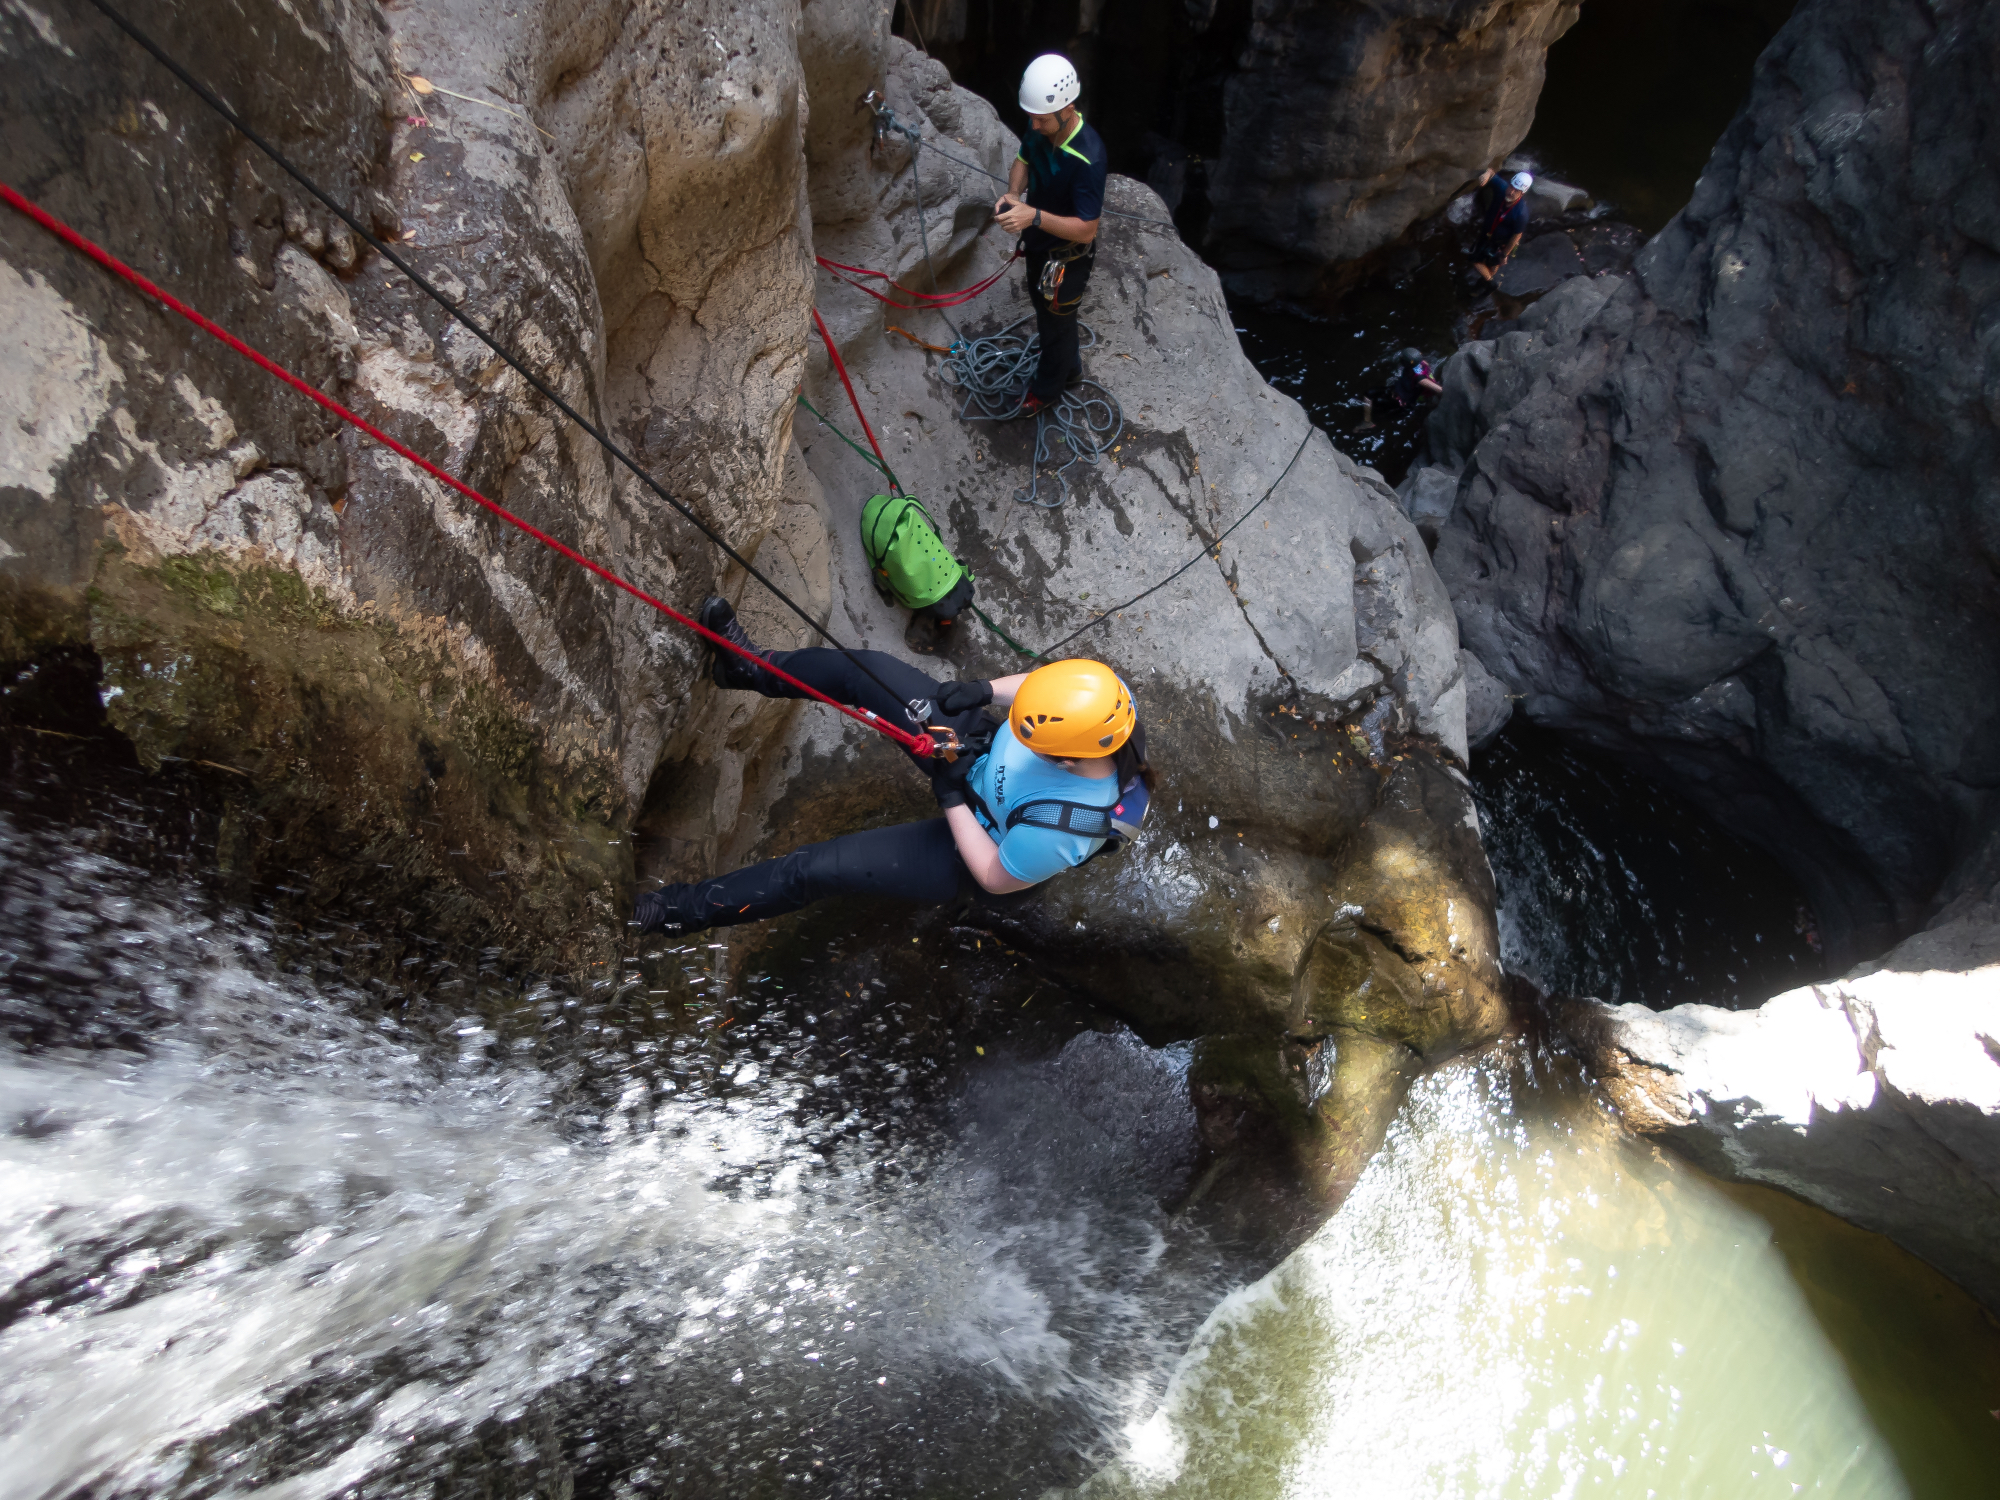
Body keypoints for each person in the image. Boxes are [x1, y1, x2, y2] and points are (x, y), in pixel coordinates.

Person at [631, 597, 1155, 935]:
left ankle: (673, 911)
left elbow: (995, 878)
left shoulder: (1060, 830)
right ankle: (748, 668)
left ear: (1067, 755)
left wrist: (951, 797)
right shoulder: (1102, 703)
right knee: (867, 673)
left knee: (815, 868)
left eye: (1032, 738)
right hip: (973, 751)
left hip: (976, 843)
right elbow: (1042, 690)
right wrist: (985, 691)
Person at [991, 54, 1106, 416]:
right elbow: (1025, 157)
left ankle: (1047, 391)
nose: (1034, 125)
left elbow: (1088, 230)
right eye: (1032, 117)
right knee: (1046, 311)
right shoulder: (1041, 123)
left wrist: (1034, 216)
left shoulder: (1088, 158)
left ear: (1068, 109)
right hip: (1040, 241)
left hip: (1067, 258)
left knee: (1056, 320)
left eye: (1041, 119)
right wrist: (1013, 195)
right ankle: (1068, 367)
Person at [1470, 168, 1534, 282]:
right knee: (1483, 253)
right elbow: (1490, 172)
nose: (1511, 192)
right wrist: (1486, 175)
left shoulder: (1521, 213)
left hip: (1501, 242)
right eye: (1511, 187)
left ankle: (1490, 281)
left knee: (1482, 261)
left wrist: (1504, 255)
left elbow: (1516, 236)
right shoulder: (1501, 188)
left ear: (1522, 193)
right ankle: (1489, 277)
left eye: (1516, 190)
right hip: (1487, 232)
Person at [1358, 348, 1444, 429]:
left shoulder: (1420, 379)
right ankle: (1367, 421)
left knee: (1379, 411)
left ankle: (1368, 423)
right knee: (1369, 394)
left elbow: (1438, 389)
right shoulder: (1422, 363)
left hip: (1403, 404)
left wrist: (1444, 392)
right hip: (1395, 391)